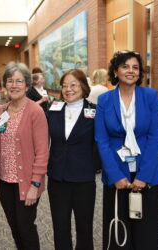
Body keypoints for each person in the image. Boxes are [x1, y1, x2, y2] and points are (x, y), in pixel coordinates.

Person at [95, 50, 158, 250]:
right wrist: (115, 175)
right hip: (116, 173)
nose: (131, 71)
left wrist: (144, 176)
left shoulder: (150, 96)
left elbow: (155, 137)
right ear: (116, 71)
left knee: (146, 234)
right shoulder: (105, 100)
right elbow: (101, 140)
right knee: (118, 231)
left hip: (145, 172)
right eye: (125, 66)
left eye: (135, 67)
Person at [0, 62, 49, 250]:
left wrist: (35, 184)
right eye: (10, 81)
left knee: (26, 227)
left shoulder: (35, 111)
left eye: (19, 81)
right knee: (14, 228)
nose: (14, 85)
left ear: (27, 85)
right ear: (5, 85)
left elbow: (42, 151)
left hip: (26, 182)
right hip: (4, 182)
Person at [47, 69, 97, 250]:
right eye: (64, 85)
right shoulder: (53, 109)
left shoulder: (95, 111)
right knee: (60, 226)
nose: (68, 89)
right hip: (57, 177)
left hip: (83, 178)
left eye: (73, 84)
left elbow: (101, 143)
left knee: (84, 227)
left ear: (83, 87)